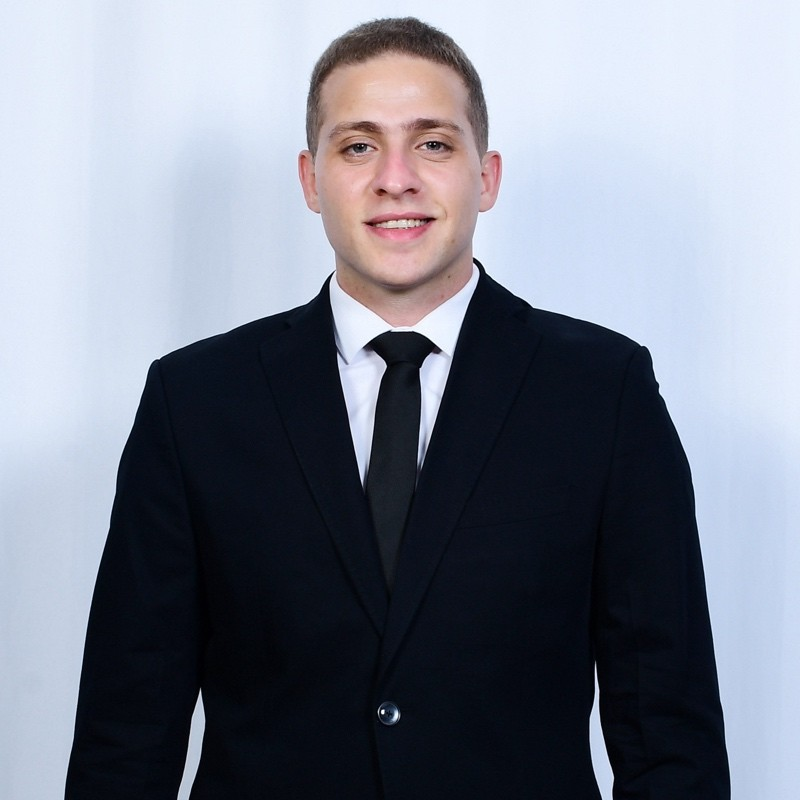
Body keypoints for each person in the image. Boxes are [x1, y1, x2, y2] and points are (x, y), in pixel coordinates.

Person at [66, 17, 730, 799]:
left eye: (433, 144)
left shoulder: (603, 393)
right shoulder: (196, 403)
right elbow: (125, 737)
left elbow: (669, 736)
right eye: (358, 146)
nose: (395, 178)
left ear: (487, 176)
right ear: (311, 180)